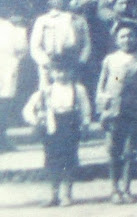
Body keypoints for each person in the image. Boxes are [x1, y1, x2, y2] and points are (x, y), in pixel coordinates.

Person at [96, 20, 137, 204]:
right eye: (123, 36)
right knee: (114, 151)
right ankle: (114, 188)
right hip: (114, 111)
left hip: (136, 111)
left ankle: (127, 188)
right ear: (116, 39)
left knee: (130, 151)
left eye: (131, 36)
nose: (127, 39)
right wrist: (103, 109)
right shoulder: (111, 60)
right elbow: (103, 86)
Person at [22, 55, 92, 208]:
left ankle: (66, 194)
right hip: (51, 128)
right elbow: (28, 109)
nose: (62, 74)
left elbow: (85, 108)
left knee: (69, 160)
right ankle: (53, 194)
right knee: (52, 161)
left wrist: (86, 123)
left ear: (72, 71)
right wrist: (36, 120)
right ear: (51, 73)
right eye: (57, 71)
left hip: (70, 126)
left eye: (65, 71)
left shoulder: (78, 89)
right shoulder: (46, 91)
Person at [29, 0, 91, 89]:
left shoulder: (78, 20)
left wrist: (81, 61)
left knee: (73, 91)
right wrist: (46, 62)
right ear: (49, 0)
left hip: (72, 63)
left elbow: (86, 44)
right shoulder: (43, 20)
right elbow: (35, 46)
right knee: (48, 92)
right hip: (50, 63)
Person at [0, 4, 29, 152]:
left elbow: (21, 49)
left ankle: (0, 139)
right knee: (1, 104)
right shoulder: (13, 29)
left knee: (0, 104)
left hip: (2, 71)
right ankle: (0, 138)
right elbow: (21, 50)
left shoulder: (8, 29)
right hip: (4, 71)